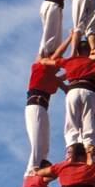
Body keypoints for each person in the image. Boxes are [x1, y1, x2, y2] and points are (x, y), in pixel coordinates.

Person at [24, 31, 72, 173]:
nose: (58, 63)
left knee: (44, 147)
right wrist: (70, 38)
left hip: (42, 108)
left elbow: (67, 84)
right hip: (35, 106)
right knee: (38, 146)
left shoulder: (53, 77)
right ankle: (31, 173)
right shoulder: (40, 65)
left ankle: (39, 171)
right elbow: (57, 54)